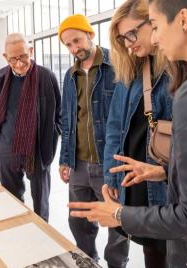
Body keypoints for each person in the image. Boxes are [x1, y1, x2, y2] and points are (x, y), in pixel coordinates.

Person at [69, 0, 187, 267]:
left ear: (182, 19)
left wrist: (115, 214)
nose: (154, 37)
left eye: (154, 25)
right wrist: (164, 171)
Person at [101, 0, 172, 268]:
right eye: (123, 38)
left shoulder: (179, 67)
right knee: (151, 251)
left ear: (154, 21)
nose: (129, 43)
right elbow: (114, 128)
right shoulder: (131, 71)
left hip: (165, 178)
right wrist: (111, 175)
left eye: (132, 33)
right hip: (134, 178)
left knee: (173, 250)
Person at [58, 14, 128, 268]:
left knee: (117, 225)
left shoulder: (119, 64)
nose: (74, 48)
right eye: (68, 45)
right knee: (79, 220)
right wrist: (64, 159)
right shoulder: (70, 75)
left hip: (109, 164)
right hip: (78, 164)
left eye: (77, 40)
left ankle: (116, 265)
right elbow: (68, 119)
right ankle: (88, 262)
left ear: (91, 35)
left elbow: (127, 119)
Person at [0, 33, 61, 222]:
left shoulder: (46, 77)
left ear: (31, 51)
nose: (19, 63)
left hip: (38, 151)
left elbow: (60, 114)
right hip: (7, 149)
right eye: (13, 59)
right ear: (5, 57)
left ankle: (42, 233)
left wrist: (52, 137)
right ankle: (18, 230)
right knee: (11, 199)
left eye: (23, 57)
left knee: (41, 202)